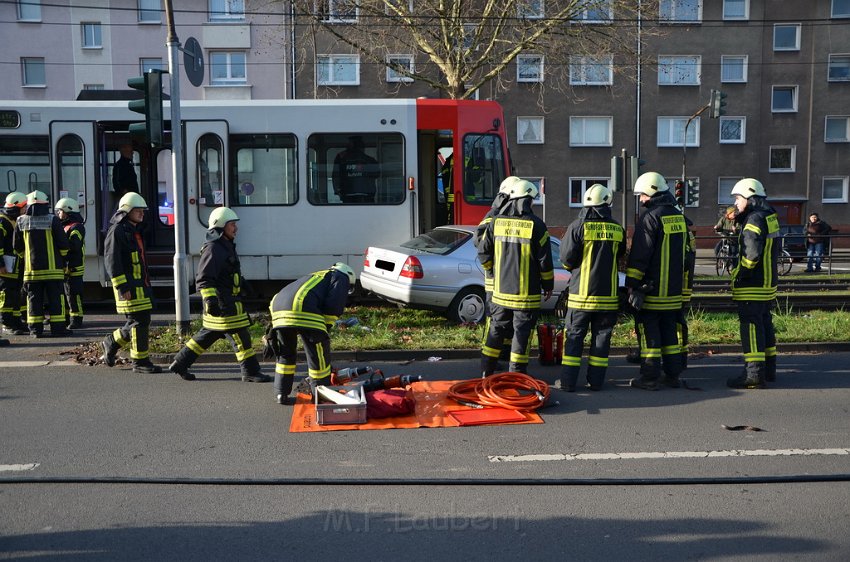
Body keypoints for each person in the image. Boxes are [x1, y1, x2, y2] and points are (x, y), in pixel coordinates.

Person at [169, 207, 270, 383]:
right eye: (232, 225)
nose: (236, 228)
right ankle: (250, 371)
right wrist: (210, 300)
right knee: (241, 337)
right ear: (221, 227)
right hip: (224, 304)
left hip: (227, 301)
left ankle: (180, 362)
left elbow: (227, 272)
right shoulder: (214, 248)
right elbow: (204, 278)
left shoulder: (224, 245)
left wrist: (243, 284)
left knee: (206, 336)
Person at [477, 179, 554, 376]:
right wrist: (548, 284)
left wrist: (492, 272)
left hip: (500, 294)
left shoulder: (496, 221)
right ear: (528, 200)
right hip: (526, 297)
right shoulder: (537, 225)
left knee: (496, 331)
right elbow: (545, 261)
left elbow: (483, 251)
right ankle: (516, 376)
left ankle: (487, 371)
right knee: (521, 335)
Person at [558, 184, 625, 391]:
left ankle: (568, 383)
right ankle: (595, 382)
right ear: (607, 203)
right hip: (608, 298)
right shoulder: (617, 229)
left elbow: (566, 260)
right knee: (601, 340)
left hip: (580, 298)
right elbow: (620, 256)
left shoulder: (578, 227)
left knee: (574, 338)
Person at [626, 172, 687, 390]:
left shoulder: (650, 217)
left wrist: (632, 282)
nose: (641, 199)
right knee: (669, 334)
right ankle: (672, 375)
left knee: (649, 334)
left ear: (651, 191)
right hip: (673, 293)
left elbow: (641, 254)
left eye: (642, 194)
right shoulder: (678, 216)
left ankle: (649, 377)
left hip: (651, 291)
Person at [267, 263, 355, 404]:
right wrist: (324, 328)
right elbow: (334, 306)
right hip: (303, 309)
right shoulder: (341, 277)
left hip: (277, 311)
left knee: (286, 354)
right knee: (318, 356)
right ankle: (319, 394)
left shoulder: (316, 276)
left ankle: (281, 393)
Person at [727, 178, 780, 389]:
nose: (736, 204)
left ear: (749, 198)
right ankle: (769, 370)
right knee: (765, 325)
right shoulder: (770, 217)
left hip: (752, 285)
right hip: (767, 284)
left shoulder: (753, 220)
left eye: (738, 199)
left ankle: (754, 375)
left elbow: (751, 256)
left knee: (750, 327)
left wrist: (738, 274)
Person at [100, 192, 162, 373]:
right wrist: (122, 286)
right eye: (138, 210)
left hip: (140, 285)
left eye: (143, 210)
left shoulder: (132, 229)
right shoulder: (117, 230)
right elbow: (112, 260)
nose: (142, 213)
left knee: (141, 320)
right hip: (129, 286)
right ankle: (140, 362)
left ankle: (111, 342)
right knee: (139, 321)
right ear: (127, 211)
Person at [13, 191, 71, 338]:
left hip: (31, 272)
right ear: (46, 204)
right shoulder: (53, 220)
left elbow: (17, 247)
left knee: (33, 301)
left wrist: (26, 259)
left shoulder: (20, 221)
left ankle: (35, 330)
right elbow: (63, 244)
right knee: (56, 300)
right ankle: (58, 329)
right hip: (53, 271)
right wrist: (63, 259)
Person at [474, 176, 520, 359]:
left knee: (507, 323)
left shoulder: (513, 214)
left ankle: (503, 355)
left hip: (509, 281)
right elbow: (479, 241)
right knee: (495, 321)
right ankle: (489, 357)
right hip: (496, 282)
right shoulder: (494, 214)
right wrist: (492, 268)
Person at [54, 198, 86, 329]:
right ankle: (66, 317)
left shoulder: (77, 227)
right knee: (65, 294)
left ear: (68, 212)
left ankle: (76, 319)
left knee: (74, 294)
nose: (58, 214)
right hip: (65, 267)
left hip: (74, 267)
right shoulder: (63, 226)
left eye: (60, 211)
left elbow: (75, 244)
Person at [0, 192, 28, 335]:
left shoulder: (14, 220)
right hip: (5, 267)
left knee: (15, 294)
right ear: (18, 207)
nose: (26, 209)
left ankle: (16, 321)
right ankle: (6, 323)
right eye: (24, 207)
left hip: (14, 266)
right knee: (6, 295)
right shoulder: (2, 221)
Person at [332, 136, 378, 203]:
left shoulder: (341, 159)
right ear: (362, 147)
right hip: (367, 196)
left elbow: (336, 176)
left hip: (347, 195)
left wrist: (338, 191)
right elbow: (377, 174)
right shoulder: (370, 160)